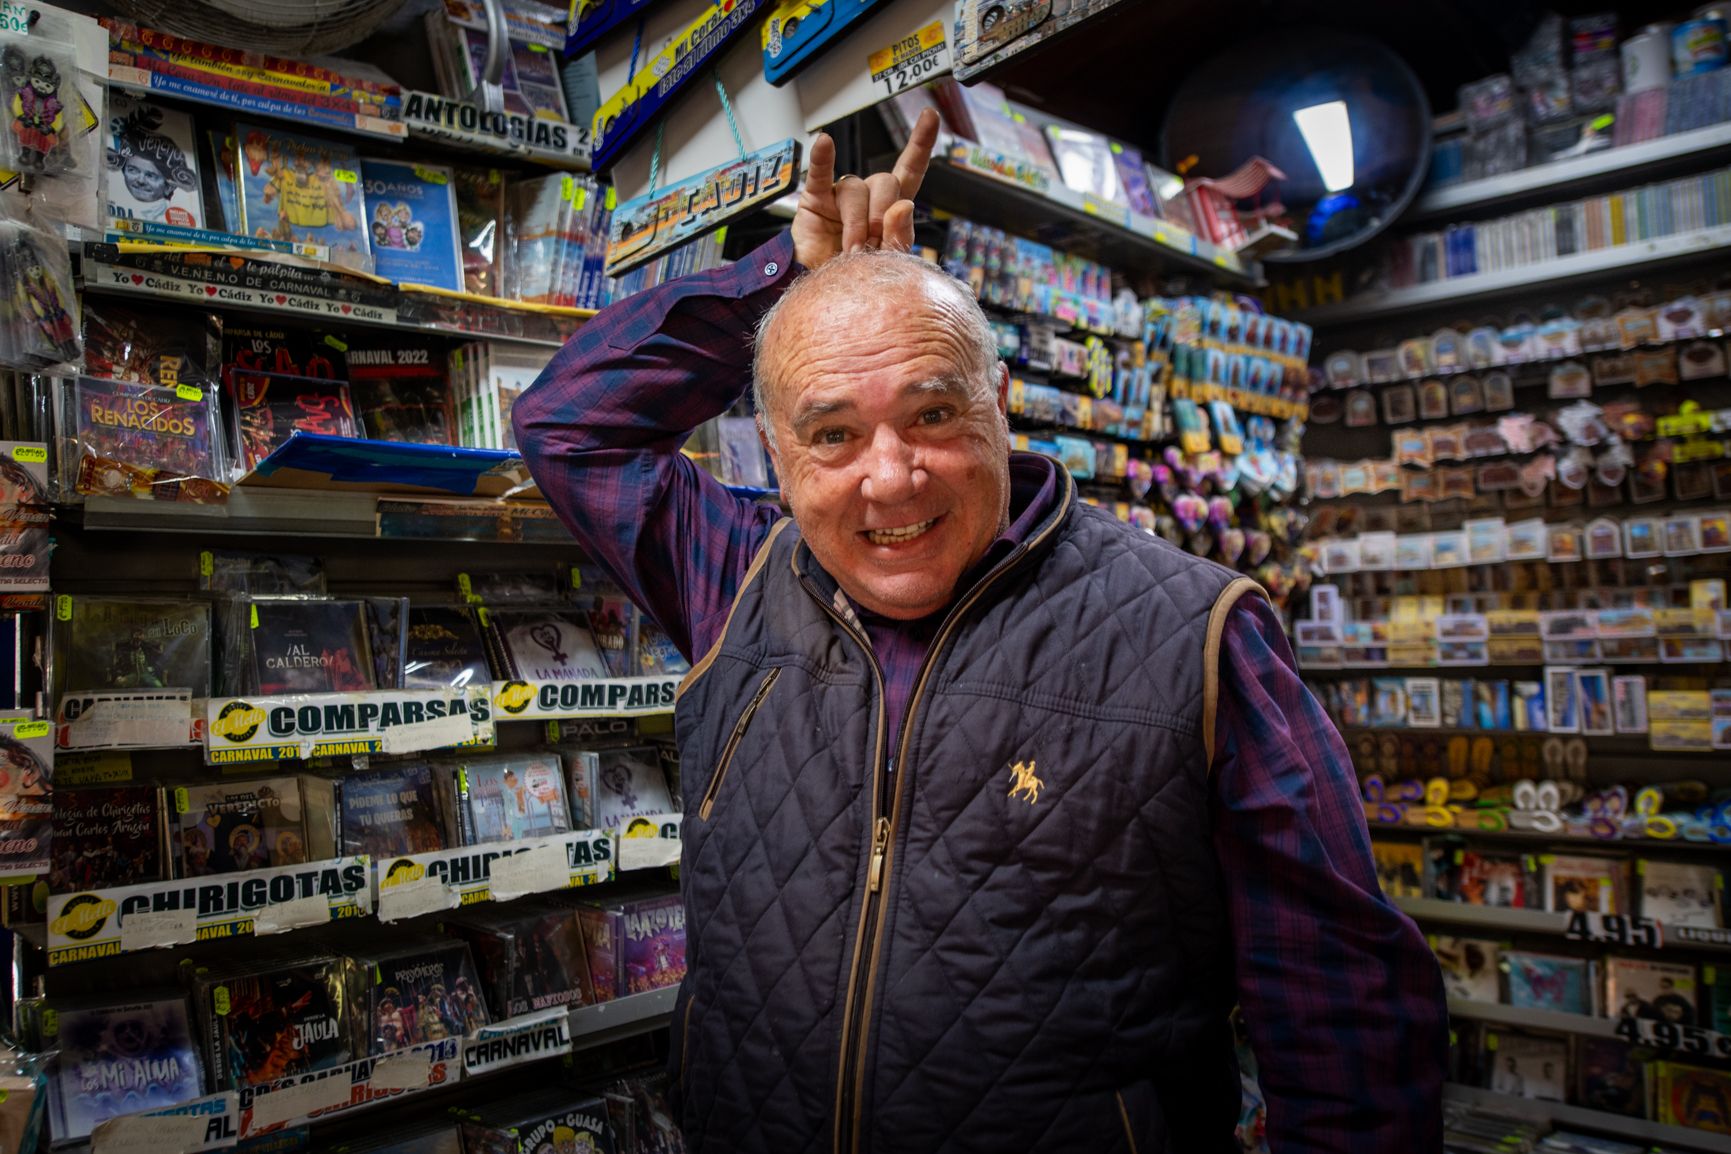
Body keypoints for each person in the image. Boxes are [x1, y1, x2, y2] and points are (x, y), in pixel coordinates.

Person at [516, 111, 1447, 1153]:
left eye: (932, 415)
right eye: (832, 434)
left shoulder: (1198, 632)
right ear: (774, 453)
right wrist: (789, 276)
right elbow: (567, 424)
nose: (891, 474)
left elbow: (1346, 1020)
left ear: (1000, 407)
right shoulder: (737, 578)